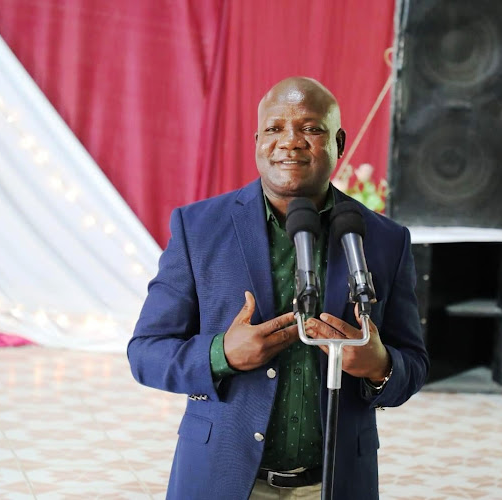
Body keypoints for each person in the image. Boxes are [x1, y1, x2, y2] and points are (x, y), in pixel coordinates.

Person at [128, 76, 428, 499]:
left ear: (339, 141)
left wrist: (379, 365)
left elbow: (413, 363)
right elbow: (145, 353)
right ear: (257, 142)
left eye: (311, 128)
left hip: (335, 484)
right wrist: (222, 354)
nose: (291, 142)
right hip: (224, 480)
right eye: (275, 128)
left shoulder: (384, 239)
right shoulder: (198, 228)